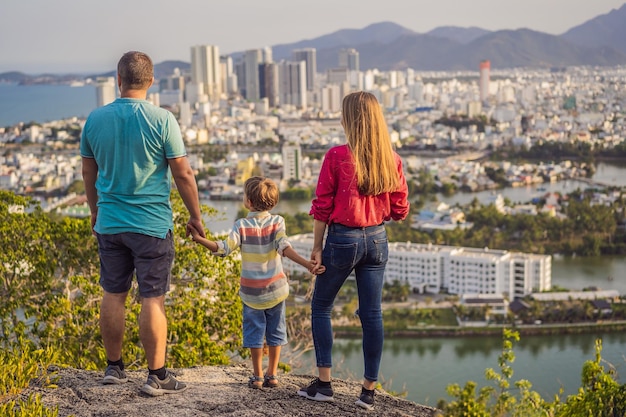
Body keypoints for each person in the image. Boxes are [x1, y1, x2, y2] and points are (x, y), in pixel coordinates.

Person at [81, 51, 205, 396]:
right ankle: (157, 375)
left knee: (113, 293)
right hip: (151, 225)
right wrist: (195, 217)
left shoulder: (95, 120)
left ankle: (114, 368)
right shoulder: (162, 119)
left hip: (110, 222)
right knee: (152, 298)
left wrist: (95, 209)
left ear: (118, 80)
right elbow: (183, 173)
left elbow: (88, 172)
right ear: (151, 82)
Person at [298, 91, 410, 410]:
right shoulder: (391, 158)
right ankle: (368, 392)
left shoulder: (337, 156)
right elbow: (400, 210)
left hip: (342, 239)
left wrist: (317, 248)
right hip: (377, 239)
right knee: (372, 313)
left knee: (321, 307)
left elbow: (322, 207)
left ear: (349, 120)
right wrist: (379, 210)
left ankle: (324, 385)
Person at [190, 176, 324, 388]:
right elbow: (284, 247)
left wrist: (199, 240)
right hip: (276, 290)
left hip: (251, 293)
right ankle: (273, 374)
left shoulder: (241, 225)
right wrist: (306, 264)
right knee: (276, 332)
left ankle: (257, 375)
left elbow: (223, 248)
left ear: (248, 202)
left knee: (254, 334)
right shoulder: (277, 221)